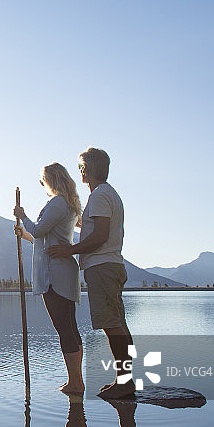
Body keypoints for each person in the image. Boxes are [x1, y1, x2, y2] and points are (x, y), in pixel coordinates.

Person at [49, 147, 134, 399]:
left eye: (81, 166)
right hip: (109, 266)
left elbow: (99, 236)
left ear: (87, 169)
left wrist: (69, 250)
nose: (80, 171)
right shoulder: (106, 194)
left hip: (103, 267)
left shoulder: (100, 195)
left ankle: (125, 382)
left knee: (112, 326)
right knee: (118, 325)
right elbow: (91, 227)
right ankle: (125, 379)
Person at [14, 163, 83, 394]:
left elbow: (39, 230)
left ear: (51, 180)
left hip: (56, 274)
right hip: (62, 270)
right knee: (70, 326)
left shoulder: (58, 202)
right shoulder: (66, 203)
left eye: (43, 180)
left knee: (64, 327)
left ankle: (76, 382)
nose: (42, 184)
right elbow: (44, 238)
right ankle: (76, 380)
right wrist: (25, 235)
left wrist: (23, 216)